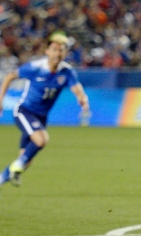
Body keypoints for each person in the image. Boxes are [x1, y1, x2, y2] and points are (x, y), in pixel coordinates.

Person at [0, 33, 89, 188]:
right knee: (41, 140)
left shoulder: (66, 71)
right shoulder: (35, 67)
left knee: (26, 161)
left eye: (61, 50)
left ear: (65, 53)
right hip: (24, 111)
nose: (57, 53)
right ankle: (17, 167)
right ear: (47, 51)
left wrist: (82, 99)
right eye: (54, 49)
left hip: (41, 117)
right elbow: (9, 76)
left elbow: (76, 88)